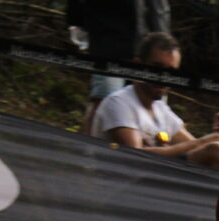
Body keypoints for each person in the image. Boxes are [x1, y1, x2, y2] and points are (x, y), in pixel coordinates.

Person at [91, 32, 219, 173]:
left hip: (157, 179)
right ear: (138, 66)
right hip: (126, 187)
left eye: (171, 72)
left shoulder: (160, 109)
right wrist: (207, 142)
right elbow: (136, 157)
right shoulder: (119, 103)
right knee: (217, 151)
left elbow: (195, 146)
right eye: (157, 68)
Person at [66, 0, 172, 131]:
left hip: (145, 48)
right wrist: (78, 23)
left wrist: (164, 44)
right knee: (104, 100)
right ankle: (85, 142)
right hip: (110, 42)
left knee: (147, 107)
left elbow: (159, 9)